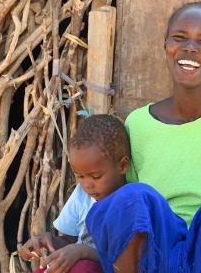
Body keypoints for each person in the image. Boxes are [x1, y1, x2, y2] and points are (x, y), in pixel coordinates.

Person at [85, 2, 201, 272]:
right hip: (158, 256)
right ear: (166, 43)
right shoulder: (138, 124)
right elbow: (117, 200)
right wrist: (70, 240)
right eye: (180, 37)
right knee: (134, 195)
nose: (190, 48)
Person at [18, 114, 130, 273]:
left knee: (84, 267)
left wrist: (82, 252)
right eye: (80, 177)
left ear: (122, 165)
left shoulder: (131, 203)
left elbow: (127, 262)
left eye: (96, 176)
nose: (87, 185)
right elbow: (69, 242)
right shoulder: (82, 195)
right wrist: (50, 241)